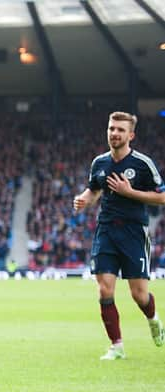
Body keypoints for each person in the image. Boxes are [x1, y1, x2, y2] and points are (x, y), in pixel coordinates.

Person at [73, 111, 165, 360]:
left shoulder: (142, 164)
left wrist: (129, 192)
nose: (114, 133)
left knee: (139, 294)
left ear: (131, 135)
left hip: (134, 231)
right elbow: (94, 190)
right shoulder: (99, 163)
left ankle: (153, 319)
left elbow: (162, 197)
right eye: (111, 128)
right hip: (106, 230)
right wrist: (85, 199)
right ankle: (117, 345)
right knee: (104, 290)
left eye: (120, 130)